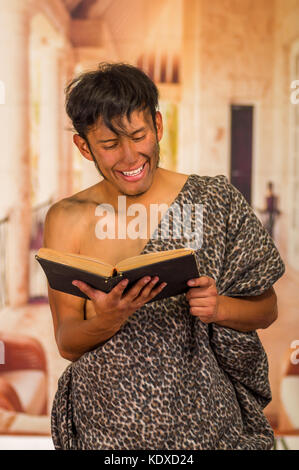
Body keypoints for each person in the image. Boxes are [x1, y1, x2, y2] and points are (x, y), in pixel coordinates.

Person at [43, 63, 285, 450]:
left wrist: (219, 307)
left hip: (206, 428)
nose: (129, 157)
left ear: (157, 125)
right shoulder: (66, 217)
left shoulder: (215, 200)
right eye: (109, 145)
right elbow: (67, 342)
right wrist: (108, 319)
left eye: (139, 136)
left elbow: (267, 308)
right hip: (104, 428)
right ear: (83, 146)